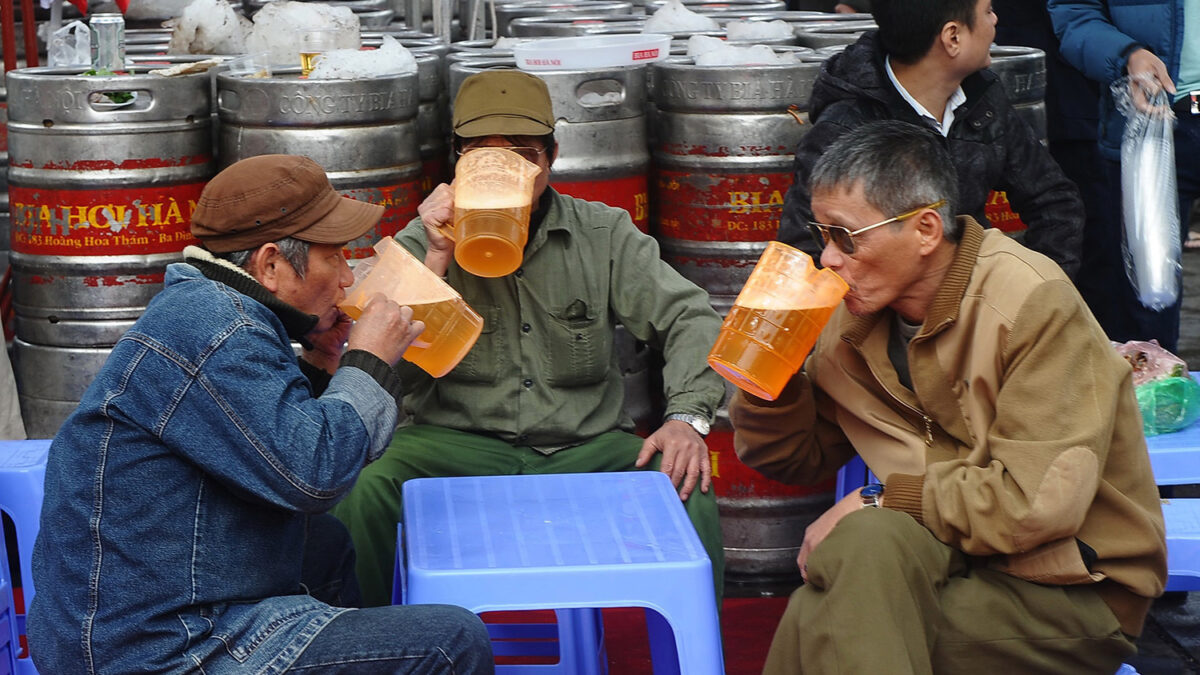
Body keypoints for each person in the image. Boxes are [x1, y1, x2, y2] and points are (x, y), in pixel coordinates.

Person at [27, 155, 494, 674]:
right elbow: (313, 475)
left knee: (325, 546)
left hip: (176, 610)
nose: (346, 278)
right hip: (162, 650)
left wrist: (324, 361)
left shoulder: (217, 309)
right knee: (450, 641)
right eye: (335, 256)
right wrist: (367, 362)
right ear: (271, 265)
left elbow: (266, 437)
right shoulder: (216, 327)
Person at [730, 121, 1166, 674]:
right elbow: (794, 459)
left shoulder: (1032, 302)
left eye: (846, 237)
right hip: (938, 555)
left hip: (1067, 584)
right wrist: (768, 381)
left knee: (823, 616)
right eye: (821, 235)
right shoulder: (849, 323)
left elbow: (1036, 504)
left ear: (926, 230)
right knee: (862, 557)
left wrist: (882, 498)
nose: (828, 260)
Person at [332, 69, 727, 608]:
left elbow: (688, 315)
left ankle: (698, 658)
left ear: (551, 158)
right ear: (457, 161)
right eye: (481, 156)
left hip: (584, 447)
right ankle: (369, 649)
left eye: (522, 155)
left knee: (685, 481)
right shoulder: (425, 238)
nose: (505, 172)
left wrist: (686, 418)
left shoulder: (602, 232)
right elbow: (377, 361)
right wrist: (437, 260)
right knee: (362, 486)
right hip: (455, 445)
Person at [778, 0, 1085, 278]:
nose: (995, 21)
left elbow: (1054, 201)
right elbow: (803, 254)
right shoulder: (846, 127)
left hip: (975, 303)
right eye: (988, 11)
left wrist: (1031, 294)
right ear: (953, 37)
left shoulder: (982, 97)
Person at [1049, 0, 1200, 352]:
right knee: (1148, 298)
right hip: (1153, 119)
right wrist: (1127, 54)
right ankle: (1151, 402)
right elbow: (1074, 13)